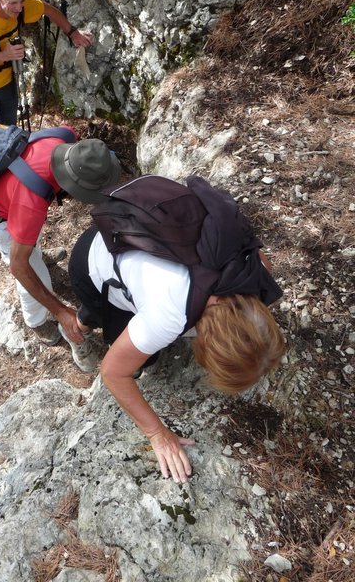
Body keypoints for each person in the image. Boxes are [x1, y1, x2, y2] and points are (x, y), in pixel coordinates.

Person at [65, 182, 286, 484]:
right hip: (92, 263)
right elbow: (113, 372)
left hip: (133, 234)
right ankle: (77, 327)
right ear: (202, 346)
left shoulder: (256, 269)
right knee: (117, 336)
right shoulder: (168, 315)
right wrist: (157, 433)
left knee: (142, 339)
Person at [0, 133, 120, 354]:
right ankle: (36, 321)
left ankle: (34, 250)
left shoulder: (63, 138)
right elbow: (18, 267)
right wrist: (61, 310)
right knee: (32, 268)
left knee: (31, 241)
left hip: (15, 196)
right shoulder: (31, 203)